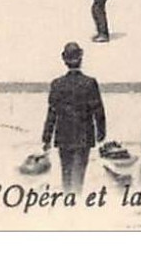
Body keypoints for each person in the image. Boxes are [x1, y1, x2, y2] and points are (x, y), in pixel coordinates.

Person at [42, 42, 106, 193]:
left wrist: (46, 138)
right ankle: (75, 202)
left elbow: (52, 113)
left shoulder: (57, 84)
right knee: (79, 174)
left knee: (66, 172)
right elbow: (98, 110)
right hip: (84, 135)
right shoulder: (89, 83)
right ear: (81, 58)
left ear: (64, 60)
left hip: (63, 135)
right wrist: (101, 133)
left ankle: (67, 200)